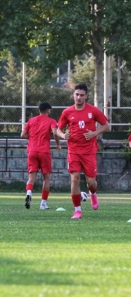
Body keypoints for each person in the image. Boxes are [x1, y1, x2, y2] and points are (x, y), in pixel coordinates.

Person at [56, 83, 110, 219]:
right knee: (75, 178)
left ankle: (93, 193)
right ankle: (77, 210)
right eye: (76, 94)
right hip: (73, 150)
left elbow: (106, 126)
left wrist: (94, 133)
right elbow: (57, 129)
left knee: (91, 182)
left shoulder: (93, 111)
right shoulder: (67, 112)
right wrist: (63, 136)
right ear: (73, 95)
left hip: (89, 151)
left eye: (81, 95)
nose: (78, 97)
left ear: (86, 96)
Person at [21, 102, 61, 210]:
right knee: (46, 179)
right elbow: (55, 132)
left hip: (32, 151)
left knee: (31, 178)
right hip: (44, 152)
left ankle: (29, 192)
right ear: (48, 110)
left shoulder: (31, 120)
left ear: (39, 110)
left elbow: (23, 134)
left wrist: (33, 137)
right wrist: (58, 144)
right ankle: (43, 203)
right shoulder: (51, 121)